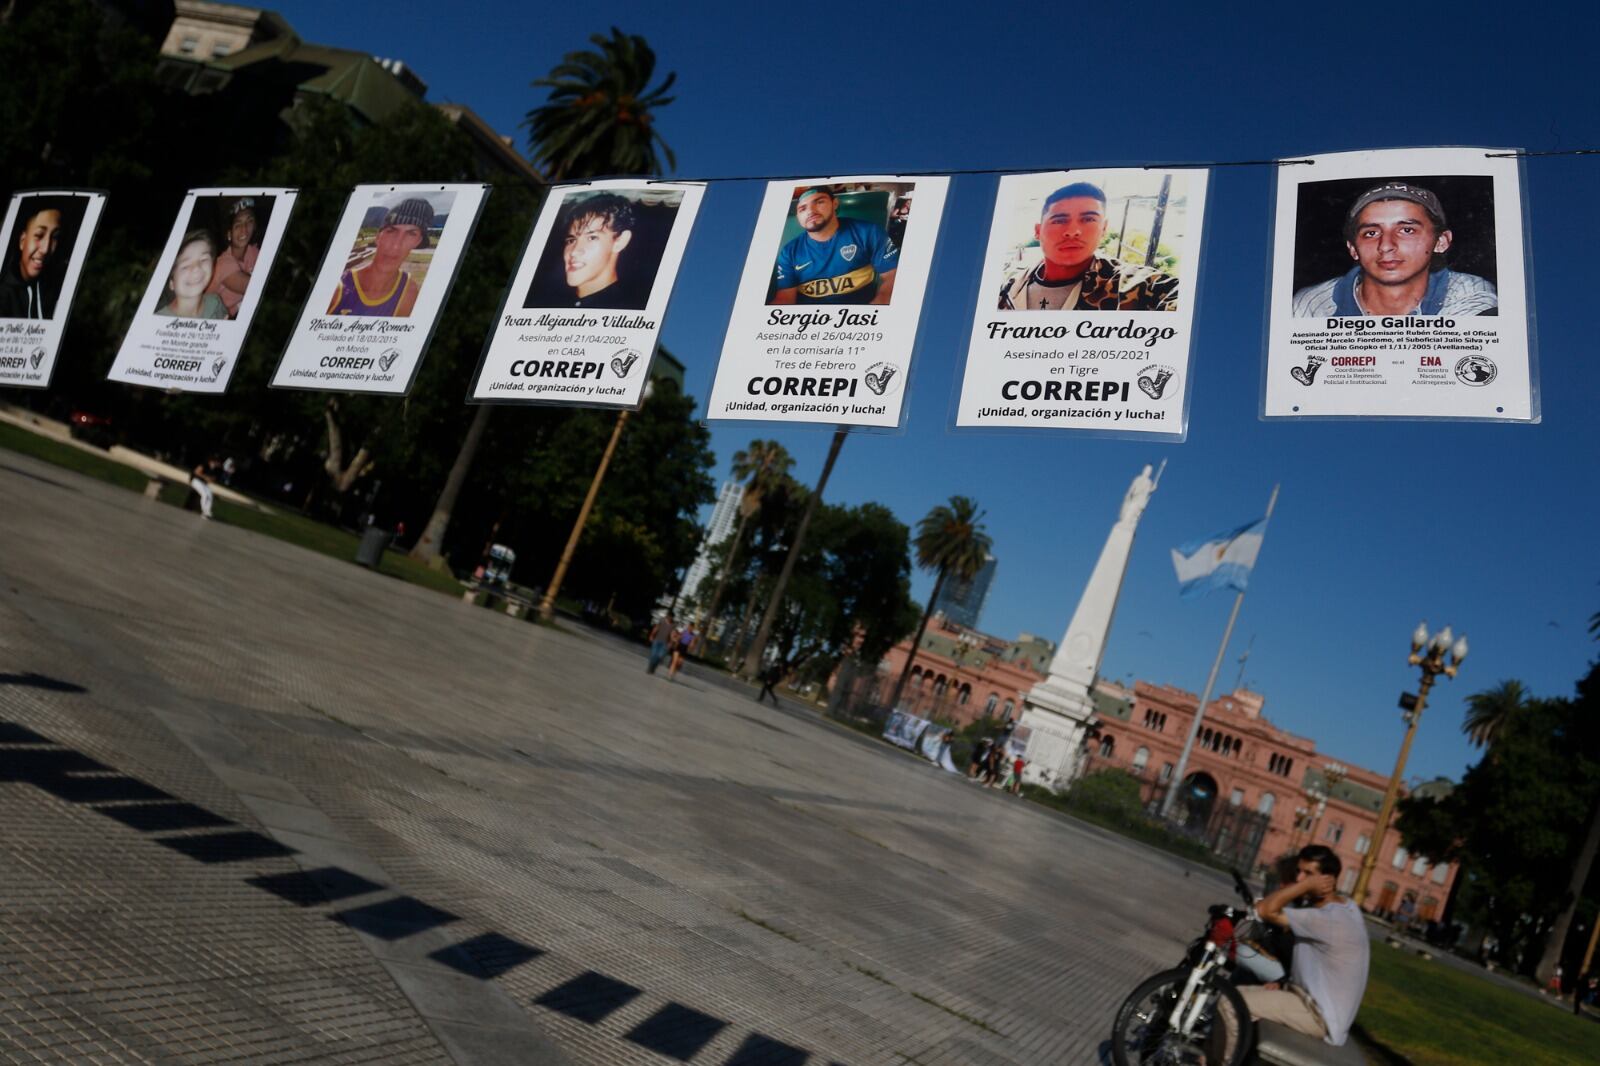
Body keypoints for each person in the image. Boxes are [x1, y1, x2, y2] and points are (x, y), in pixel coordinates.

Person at [1292, 181, 1498, 318]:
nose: (1386, 245)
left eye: (1407, 230)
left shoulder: (1468, 294)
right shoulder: (1311, 305)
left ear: (1441, 242)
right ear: (1353, 248)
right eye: (1371, 233)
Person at [1238, 845, 1370, 1048]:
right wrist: (1284, 984)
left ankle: (1223, 1060)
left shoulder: (1327, 918)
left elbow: (1262, 910)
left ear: (1328, 880)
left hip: (1318, 1015)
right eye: (1298, 872)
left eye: (1308, 874)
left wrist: (1304, 886)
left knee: (1233, 1004)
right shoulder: (1347, 906)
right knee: (1233, 994)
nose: (1299, 878)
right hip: (1307, 1000)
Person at [999, 182, 1179, 311]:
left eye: (1088, 219)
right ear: (1038, 231)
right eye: (1059, 220)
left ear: (1104, 229)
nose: (1072, 231)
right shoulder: (1008, 288)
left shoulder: (1134, 287)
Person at [771, 186, 898, 305]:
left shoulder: (869, 232)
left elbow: (893, 276)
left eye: (819, 202)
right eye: (802, 209)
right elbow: (785, 297)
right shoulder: (789, 252)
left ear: (835, 204)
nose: (810, 211)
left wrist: (878, 305)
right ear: (798, 217)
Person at [540, 193, 647, 309]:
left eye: (592, 238)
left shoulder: (629, 308)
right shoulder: (548, 302)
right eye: (571, 240)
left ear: (620, 241)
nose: (574, 251)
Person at [328, 197, 431, 317]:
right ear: (378, 237)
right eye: (391, 231)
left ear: (418, 242)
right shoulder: (339, 287)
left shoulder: (408, 291)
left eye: (411, 234)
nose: (396, 245)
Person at [0, 199, 67, 319]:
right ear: (22, 241)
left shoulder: (59, 289)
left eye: (55, 237)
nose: (45, 249)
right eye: (39, 235)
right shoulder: (4, 294)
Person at [156, 231, 228, 320]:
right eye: (185, 266)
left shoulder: (215, 303)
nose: (196, 268)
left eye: (203, 259)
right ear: (171, 283)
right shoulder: (157, 321)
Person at [206, 198, 259, 319]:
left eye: (249, 221)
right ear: (229, 234)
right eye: (238, 225)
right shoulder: (223, 263)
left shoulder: (254, 252)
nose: (244, 229)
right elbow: (254, 287)